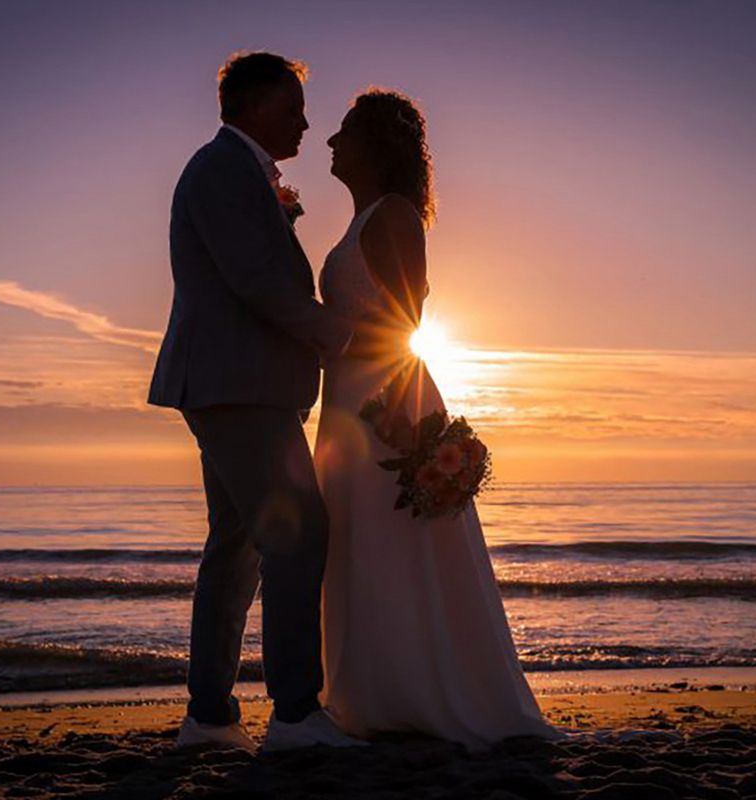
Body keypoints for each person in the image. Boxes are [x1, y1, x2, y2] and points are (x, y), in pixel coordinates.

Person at [314, 89, 563, 751]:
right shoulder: (365, 214)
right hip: (350, 404)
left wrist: (388, 409)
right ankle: (380, 693)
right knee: (363, 546)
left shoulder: (393, 215)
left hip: (381, 404)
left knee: (393, 546)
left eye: (342, 133)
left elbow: (406, 321)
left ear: (372, 146)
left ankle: (422, 694)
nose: (330, 143)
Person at [147, 51, 362, 753]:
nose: (305, 120)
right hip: (235, 385)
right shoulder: (219, 170)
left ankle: (208, 718)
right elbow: (256, 281)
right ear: (255, 104)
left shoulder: (244, 174)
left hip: (237, 383)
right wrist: (338, 334)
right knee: (298, 534)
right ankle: (296, 714)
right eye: (294, 105)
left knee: (237, 545)